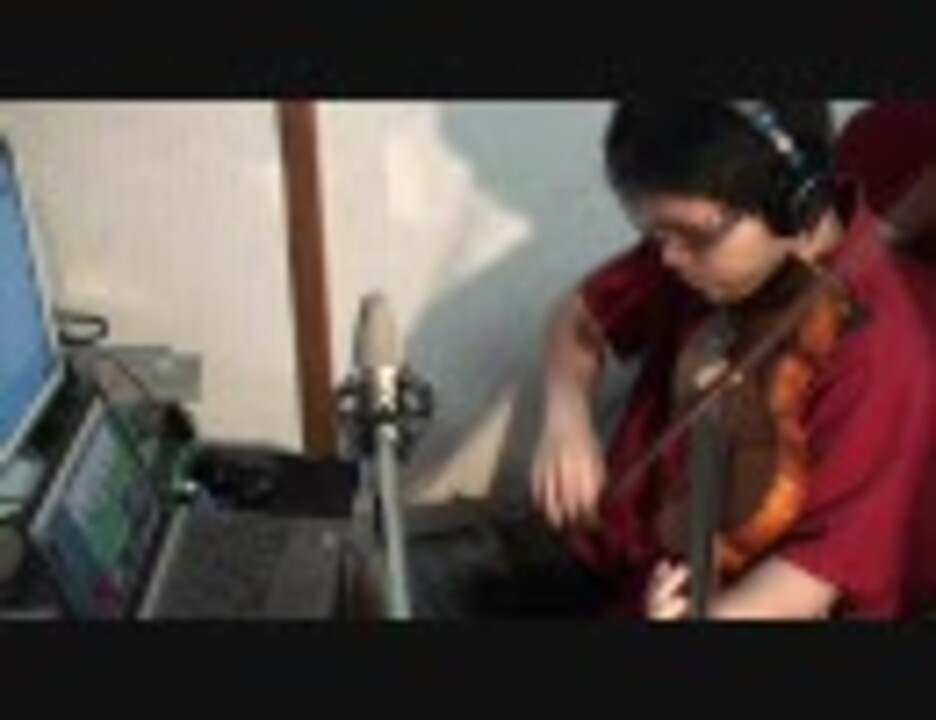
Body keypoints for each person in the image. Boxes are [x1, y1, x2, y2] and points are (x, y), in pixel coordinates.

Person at [531, 100, 936, 620]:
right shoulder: (700, 242)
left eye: (691, 236)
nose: (669, 257)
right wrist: (566, 417)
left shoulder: (881, 356)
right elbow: (581, 317)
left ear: (795, 206)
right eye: (657, 234)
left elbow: (815, 575)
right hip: (627, 559)